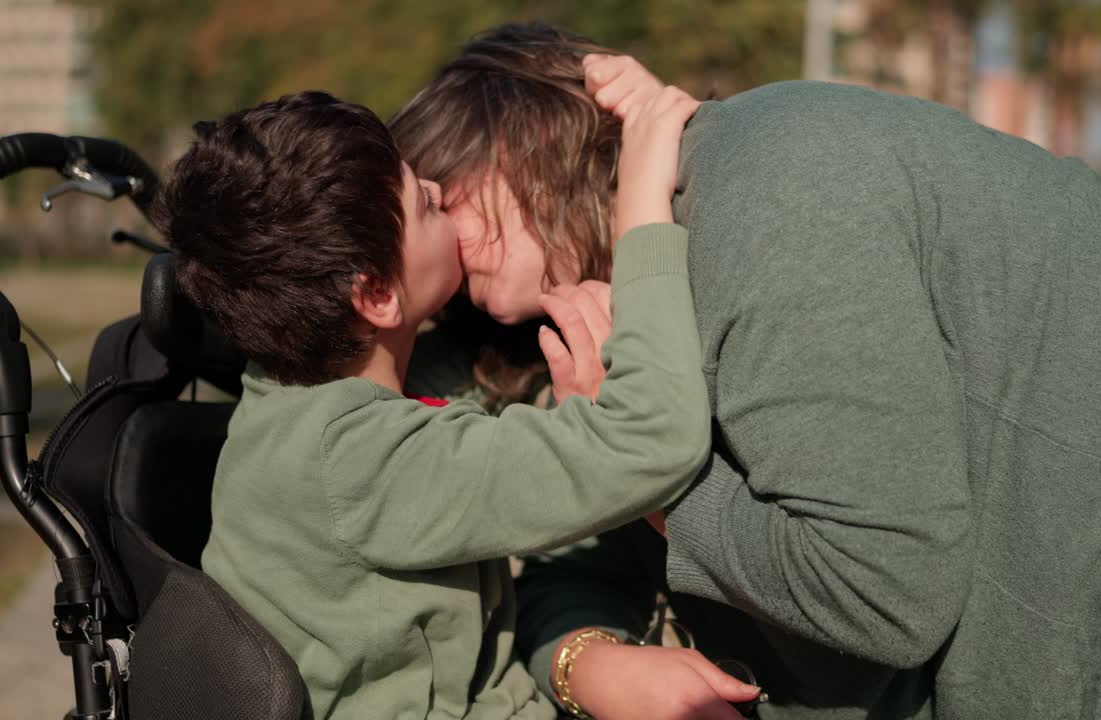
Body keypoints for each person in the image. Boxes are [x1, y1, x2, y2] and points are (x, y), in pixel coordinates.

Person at [389, 23, 1101, 720]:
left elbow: (882, 589)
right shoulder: (582, 318)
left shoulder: (768, 189)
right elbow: (571, 567)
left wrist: (645, 476)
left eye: (437, 195)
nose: (427, 241)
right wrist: (594, 666)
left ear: (518, 134)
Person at [153, 89, 763, 719]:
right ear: (377, 292)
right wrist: (641, 211)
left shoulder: (285, 406)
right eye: (422, 203)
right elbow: (655, 439)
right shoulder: (369, 462)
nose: (443, 194)